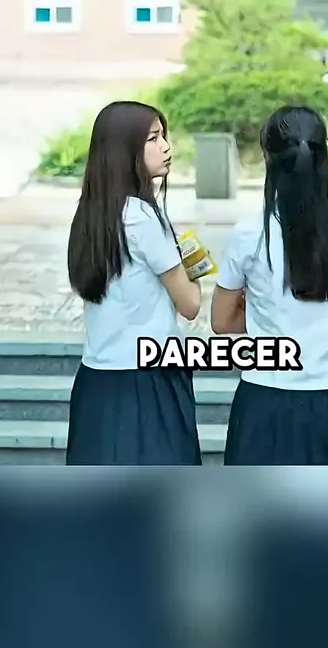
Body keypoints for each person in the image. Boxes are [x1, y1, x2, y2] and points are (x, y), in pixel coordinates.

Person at [211, 105, 328, 466]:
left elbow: (222, 322)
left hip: (267, 399)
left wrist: (266, 320)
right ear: (325, 156)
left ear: (268, 158)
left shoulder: (248, 233)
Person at [66, 100, 202, 465]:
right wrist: (195, 262)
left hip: (97, 380)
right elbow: (190, 305)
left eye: (164, 136)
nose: (166, 147)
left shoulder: (91, 213)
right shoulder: (142, 217)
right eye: (153, 139)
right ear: (125, 151)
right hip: (149, 381)